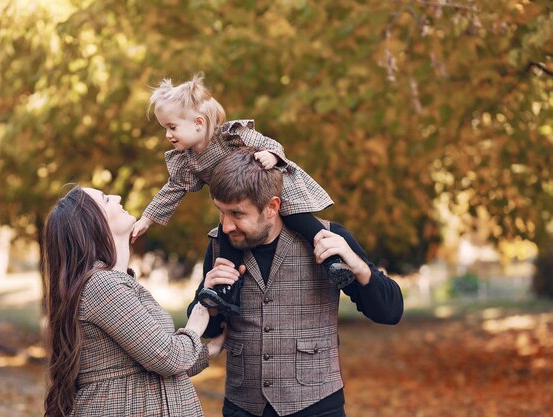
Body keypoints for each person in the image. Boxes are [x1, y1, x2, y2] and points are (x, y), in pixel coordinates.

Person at [187, 148, 404, 417]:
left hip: (317, 406)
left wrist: (358, 266)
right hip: (242, 407)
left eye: (237, 214)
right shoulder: (221, 244)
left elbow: (390, 312)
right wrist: (207, 299)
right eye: (221, 212)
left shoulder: (328, 237)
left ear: (272, 207)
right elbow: (206, 331)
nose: (227, 225)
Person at [131, 73, 354, 316]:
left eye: (172, 127)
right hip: (236, 207)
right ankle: (227, 291)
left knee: (301, 221)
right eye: (165, 128)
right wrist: (147, 219)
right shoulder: (188, 161)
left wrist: (272, 156)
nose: (167, 135)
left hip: (272, 193)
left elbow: (269, 143)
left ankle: (334, 263)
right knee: (226, 244)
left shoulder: (229, 135)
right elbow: (172, 190)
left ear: (198, 122)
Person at [42, 185, 225, 417]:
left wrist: (213, 348)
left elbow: (150, 367)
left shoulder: (119, 283)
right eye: (106, 199)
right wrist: (195, 326)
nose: (118, 196)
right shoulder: (103, 286)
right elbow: (167, 358)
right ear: (92, 225)